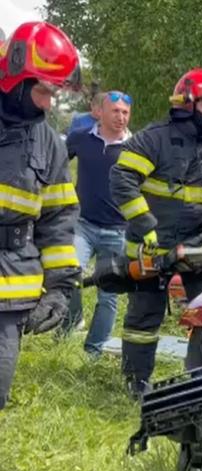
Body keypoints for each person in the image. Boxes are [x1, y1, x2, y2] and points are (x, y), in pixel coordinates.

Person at [110, 68, 202, 395]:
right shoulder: (153, 139)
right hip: (153, 249)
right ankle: (135, 386)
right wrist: (144, 224)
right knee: (143, 321)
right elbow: (122, 179)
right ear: (187, 103)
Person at [0, 21, 82, 410]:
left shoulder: (49, 142)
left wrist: (58, 289)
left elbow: (58, 220)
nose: (49, 104)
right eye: (43, 91)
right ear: (16, 79)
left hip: (10, 292)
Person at [63, 90, 132, 356]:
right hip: (83, 224)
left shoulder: (135, 148)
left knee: (108, 295)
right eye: (115, 111)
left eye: (125, 112)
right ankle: (69, 326)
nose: (120, 117)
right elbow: (55, 164)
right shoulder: (81, 138)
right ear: (99, 112)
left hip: (118, 231)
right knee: (70, 275)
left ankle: (94, 350)